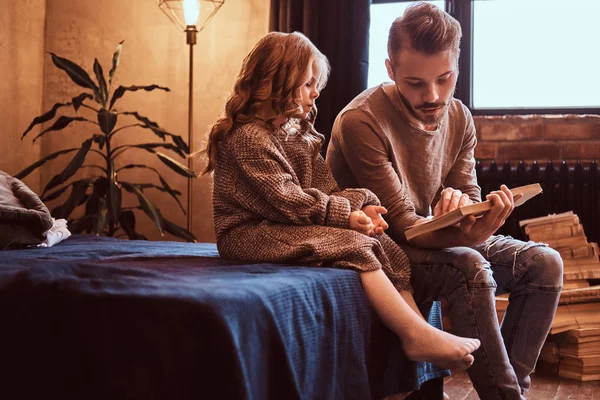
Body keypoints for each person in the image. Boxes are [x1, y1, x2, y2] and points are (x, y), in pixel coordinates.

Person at [200, 31, 481, 377]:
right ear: (277, 82)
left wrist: (361, 207)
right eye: (307, 84)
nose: (316, 93)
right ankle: (413, 332)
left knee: (382, 242)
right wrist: (346, 219)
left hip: (286, 223)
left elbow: (325, 188)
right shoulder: (248, 139)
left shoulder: (297, 133)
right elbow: (285, 200)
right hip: (248, 232)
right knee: (353, 243)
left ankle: (418, 330)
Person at [326, 3, 563, 399]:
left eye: (445, 78)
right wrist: (470, 236)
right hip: (383, 248)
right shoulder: (360, 121)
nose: (432, 95)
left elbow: (468, 193)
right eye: (415, 83)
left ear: (457, 64)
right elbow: (402, 226)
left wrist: (466, 207)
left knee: (544, 263)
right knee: (468, 265)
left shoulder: (460, 117)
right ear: (390, 69)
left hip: (432, 237)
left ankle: (511, 389)